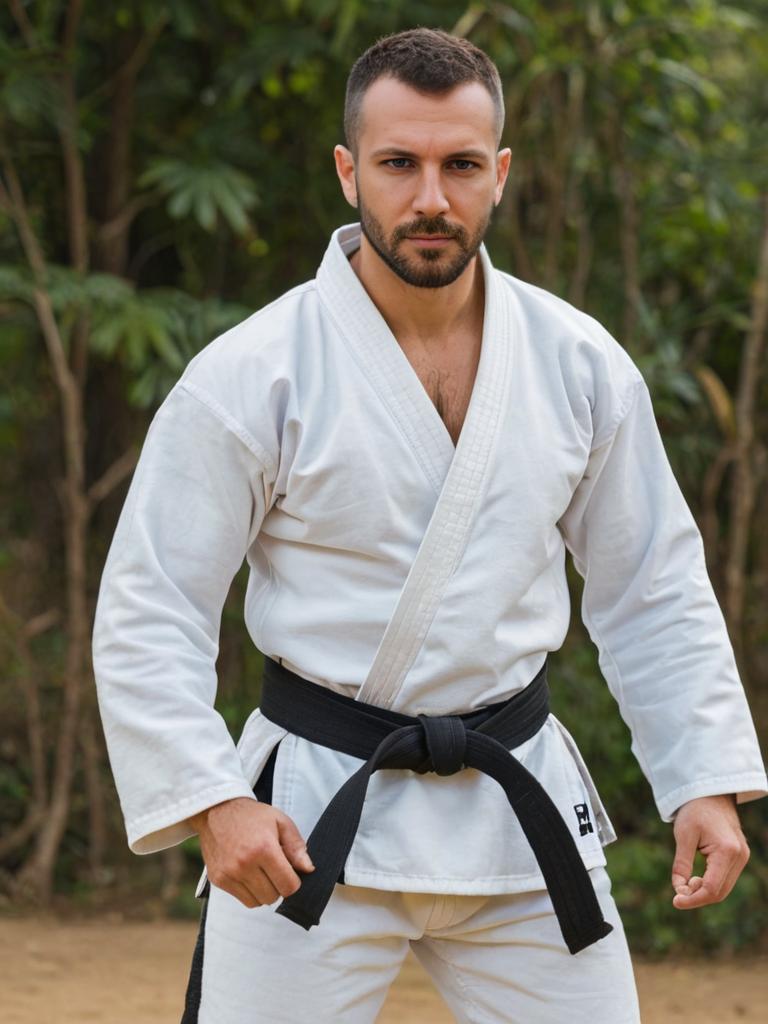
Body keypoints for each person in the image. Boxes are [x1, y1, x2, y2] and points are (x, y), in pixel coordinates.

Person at [92, 27, 767, 1024]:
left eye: (459, 166)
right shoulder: (254, 372)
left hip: (516, 804)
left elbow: (651, 583)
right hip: (307, 814)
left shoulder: (578, 363)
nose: (430, 198)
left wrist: (701, 776)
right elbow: (153, 602)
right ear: (347, 171)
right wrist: (211, 798)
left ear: (500, 173)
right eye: (398, 163)